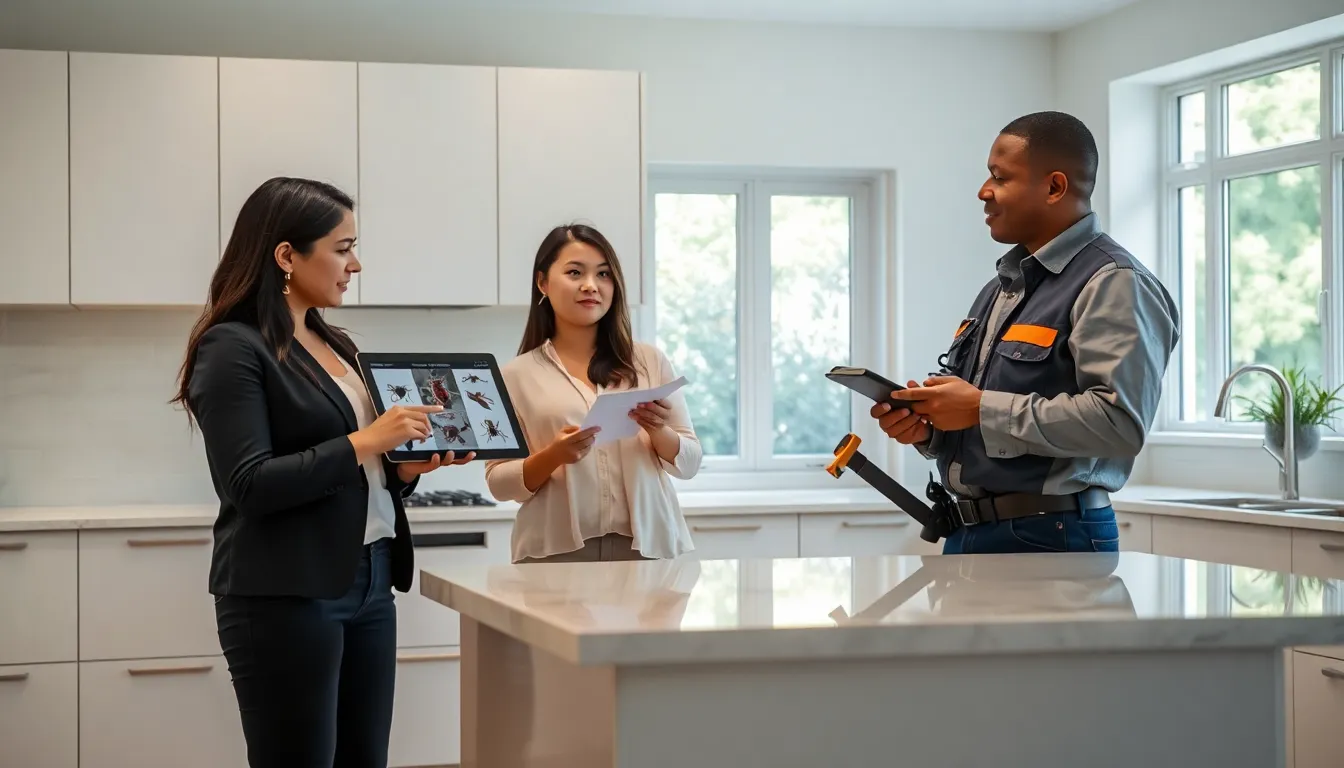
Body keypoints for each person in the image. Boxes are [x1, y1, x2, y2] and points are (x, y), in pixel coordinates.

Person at [171, 176, 474, 768]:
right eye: (342, 247)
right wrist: (366, 439)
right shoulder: (233, 347)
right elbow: (249, 484)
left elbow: (361, 470)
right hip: (286, 594)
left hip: (369, 579)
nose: (355, 263)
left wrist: (403, 467)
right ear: (286, 255)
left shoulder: (334, 343)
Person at [872, 111, 1179, 555]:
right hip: (970, 531)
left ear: (1054, 187)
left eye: (1000, 176)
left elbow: (1119, 424)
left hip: (1052, 535)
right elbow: (990, 425)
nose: (983, 191)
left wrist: (978, 408)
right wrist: (930, 430)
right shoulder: (1002, 288)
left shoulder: (1113, 282)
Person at [485, 224, 702, 563]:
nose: (591, 285)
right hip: (555, 554)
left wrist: (658, 430)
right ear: (543, 283)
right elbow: (499, 484)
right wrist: (554, 455)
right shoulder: (514, 375)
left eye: (603, 274)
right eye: (575, 272)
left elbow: (689, 463)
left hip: (647, 551)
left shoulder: (648, 361)